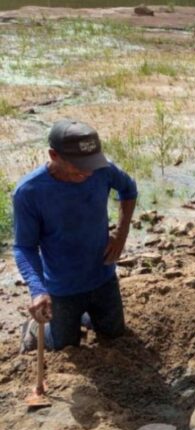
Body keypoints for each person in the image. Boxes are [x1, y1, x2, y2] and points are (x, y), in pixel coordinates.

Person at [13, 119, 138, 351]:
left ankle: (84, 316)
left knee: (114, 334)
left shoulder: (103, 169)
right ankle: (32, 328)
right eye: (79, 165)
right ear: (54, 155)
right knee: (63, 345)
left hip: (102, 275)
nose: (88, 171)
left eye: (92, 163)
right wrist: (38, 290)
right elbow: (24, 247)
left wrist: (121, 234)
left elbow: (128, 189)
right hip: (62, 286)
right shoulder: (30, 192)